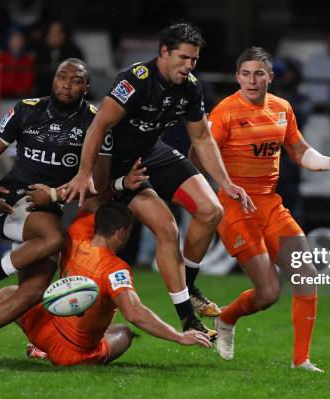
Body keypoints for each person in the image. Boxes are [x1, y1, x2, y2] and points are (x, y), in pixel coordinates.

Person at [63, 23, 255, 336]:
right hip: (120, 165)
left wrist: (226, 182)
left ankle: (189, 288)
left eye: (194, 59)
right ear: (163, 53)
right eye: (183, 57)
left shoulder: (190, 86)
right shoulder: (135, 80)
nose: (189, 65)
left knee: (212, 210)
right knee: (167, 227)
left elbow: (203, 138)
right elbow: (98, 127)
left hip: (153, 153)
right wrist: (85, 173)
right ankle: (186, 318)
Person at [0, 58, 113, 363]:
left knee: (30, 293)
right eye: (61, 77)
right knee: (56, 239)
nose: (67, 84)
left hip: (47, 209)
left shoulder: (95, 123)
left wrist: (54, 194)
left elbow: (101, 182)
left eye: (76, 80)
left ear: (87, 86)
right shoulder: (27, 110)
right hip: (13, 199)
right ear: (52, 79)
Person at [192, 47, 330, 372]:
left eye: (259, 74)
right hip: (234, 206)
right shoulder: (225, 112)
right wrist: (222, 185)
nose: (252, 80)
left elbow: (298, 150)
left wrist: (329, 162)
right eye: (245, 73)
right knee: (268, 292)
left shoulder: (282, 108)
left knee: (306, 273)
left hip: (269, 203)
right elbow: (197, 154)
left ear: (270, 76)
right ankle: (227, 318)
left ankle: (301, 361)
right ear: (237, 76)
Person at [0, 202, 211, 365]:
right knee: (124, 332)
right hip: (72, 354)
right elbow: (135, 313)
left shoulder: (76, 234)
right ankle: (52, 350)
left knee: (8, 294)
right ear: (123, 231)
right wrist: (178, 336)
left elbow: (92, 202)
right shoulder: (116, 268)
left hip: (46, 328)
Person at [34, 20, 84, 95]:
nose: (54, 37)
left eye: (57, 33)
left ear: (64, 35)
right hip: (44, 92)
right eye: (51, 33)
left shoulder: (73, 51)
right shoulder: (39, 51)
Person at [0, 28, 35, 98]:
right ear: (9, 42)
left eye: (19, 40)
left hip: (19, 95)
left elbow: (28, 80)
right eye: (14, 40)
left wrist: (18, 89)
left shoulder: (27, 60)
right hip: (3, 93)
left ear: (23, 42)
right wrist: (5, 87)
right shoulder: (1, 58)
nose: (16, 42)